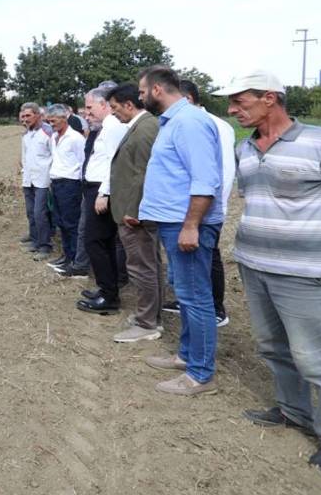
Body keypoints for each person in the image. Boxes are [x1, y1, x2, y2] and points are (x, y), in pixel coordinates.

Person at [214, 70, 321, 472]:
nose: (231, 110)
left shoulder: (318, 141)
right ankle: (293, 411)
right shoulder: (246, 149)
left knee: (316, 357)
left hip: (306, 272)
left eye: (239, 102)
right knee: (274, 348)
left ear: (270, 98)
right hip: (255, 264)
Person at [137, 66, 223, 396]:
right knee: (186, 295)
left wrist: (191, 225)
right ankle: (186, 356)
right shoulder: (174, 122)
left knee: (196, 297)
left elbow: (205, 179)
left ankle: (200, 374)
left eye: (142, 91)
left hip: (187, 224)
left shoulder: (189, 123)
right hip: (175, 222)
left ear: (158, 89)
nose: (140, 97)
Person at [161, 80, 235, 327]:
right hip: (193, 207)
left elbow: (218, 172)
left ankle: (216, 309)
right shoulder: (187, 123)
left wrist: (210, 210)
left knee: (209, 256)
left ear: (188, 99)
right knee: (195, 266)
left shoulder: (214, 125)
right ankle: (193, 305)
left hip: (206, 208)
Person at [94, 83, 163, 341]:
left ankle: (147, 324)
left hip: (135, 214)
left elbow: (144, 175)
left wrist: (133, 210)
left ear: (129, 104)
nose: (113, 113)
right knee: (148, 265)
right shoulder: (140, 126)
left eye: (114, 108)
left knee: (141, 268)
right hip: (134, 211)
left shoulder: (145, 129)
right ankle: (151, 317)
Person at [68, 87, 129, 293]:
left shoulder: (113, 128)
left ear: (104, 104)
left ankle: (108, 292)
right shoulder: (107, 126)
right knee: (102, 242)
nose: (86, 113)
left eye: (89, 107)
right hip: (97, 189)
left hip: (101, 191)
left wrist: (104, 193)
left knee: (95, 241)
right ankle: (107, 289)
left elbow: (116, 163)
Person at [44, 104, 85, 265]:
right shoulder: (54, 138)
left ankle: (75, 258)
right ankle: (66, 256)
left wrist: (80, 188)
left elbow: (83, 163)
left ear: (64, 118)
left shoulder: (76, 138)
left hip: (70, 185)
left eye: (53, 121)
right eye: (49, 121)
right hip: (56, 184)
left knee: (71, 223)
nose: (51, 124)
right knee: (60, 222)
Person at [20, 102, 53, 255]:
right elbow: (25, 156)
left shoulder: (48, 132)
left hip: (43, 180)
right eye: (23, 116)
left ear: (38, 115)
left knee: (40, 213)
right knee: (30, 212)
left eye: (28, 115)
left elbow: (55, 155)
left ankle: (45, 245)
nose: (25, 119)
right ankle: (35, 240)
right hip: (28, 179)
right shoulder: (26, 135)